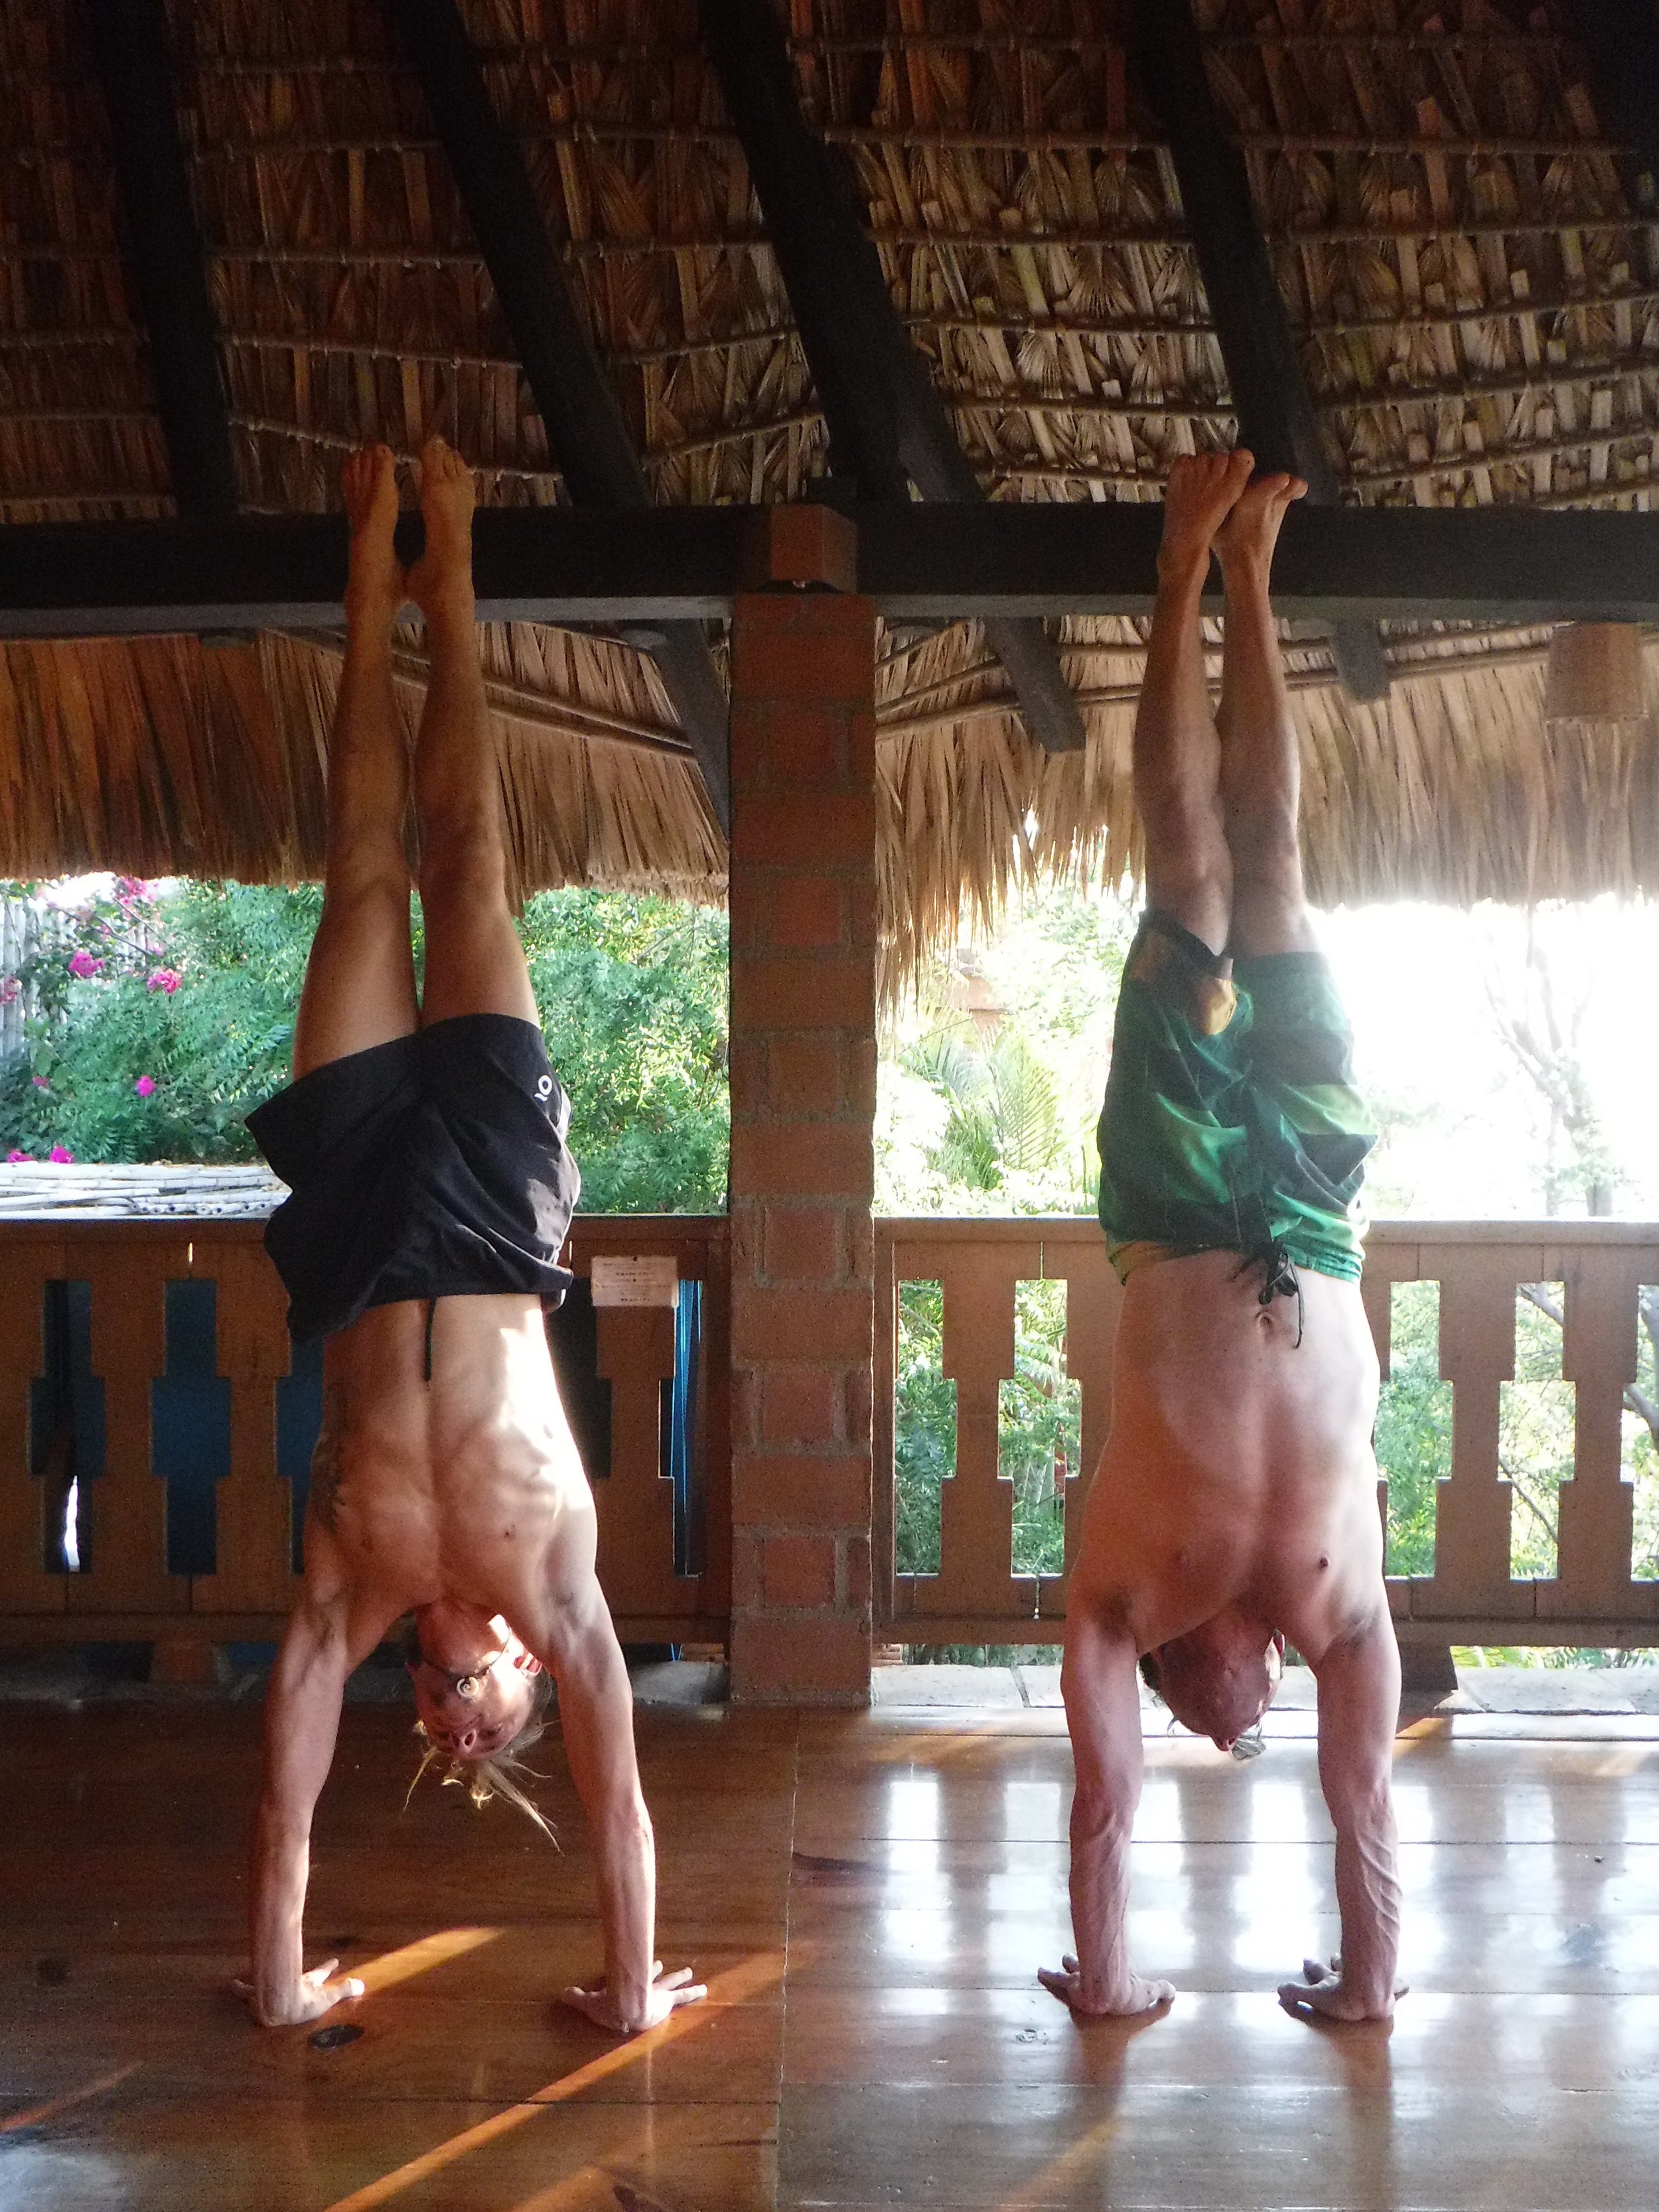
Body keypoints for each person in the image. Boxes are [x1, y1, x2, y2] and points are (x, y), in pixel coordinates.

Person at [233, 438, 703, 2037]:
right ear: (522, 1678)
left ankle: (370, 580)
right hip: (499, 1215)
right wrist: (635, 1988)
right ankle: (462, 576)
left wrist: (280, 1979)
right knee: (473, 871)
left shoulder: (352, 1588)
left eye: (434, 1712)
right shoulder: (553, 1587)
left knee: (361, 887)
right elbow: (624, 1801)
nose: (452, 1703)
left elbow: (290, 1769)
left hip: (367, 1223)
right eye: (480, 1710)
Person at [1039, 451, 1403, 2028]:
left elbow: (1102, 1796)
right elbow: (1367, 1804)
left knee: (1188, 875)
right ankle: (1256, 572)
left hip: (1180, 1200)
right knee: (1281, 875)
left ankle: (1183, 569)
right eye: (1229, 1736)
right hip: (1315, 1202)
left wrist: (1109, 1975)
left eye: (1202, 1726)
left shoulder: (1125, 1595)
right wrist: (1369, 1980)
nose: (1217, 1729)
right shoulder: (1338, 1606)